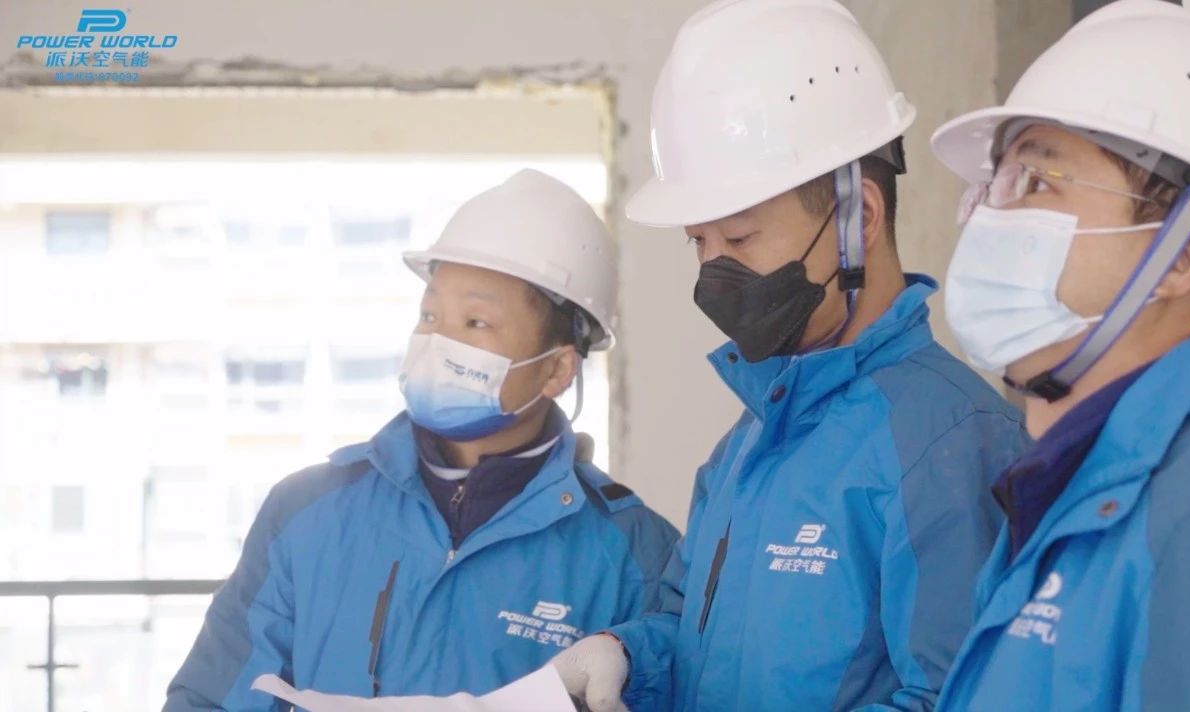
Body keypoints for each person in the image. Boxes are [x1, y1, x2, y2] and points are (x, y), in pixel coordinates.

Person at [553, 1, 1028, 709]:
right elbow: (694, 637)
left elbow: (958, 697)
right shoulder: (746, 444)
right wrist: (627, 655)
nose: (714, 274)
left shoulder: (950, 444)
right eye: (699, 242)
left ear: (860, 219)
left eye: (740, 239)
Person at [165, 170, 678, 710]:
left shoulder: (634, 552)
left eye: (476, 322)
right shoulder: (307, 511)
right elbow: (211, 697)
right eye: (430, 315)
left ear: (556, 369)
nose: (438, 341)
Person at [926, 1, 1190, 708]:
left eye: (1037, 182)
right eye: (993, 186)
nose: (989, 218)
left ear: (1179, 258)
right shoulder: (1081, 482)